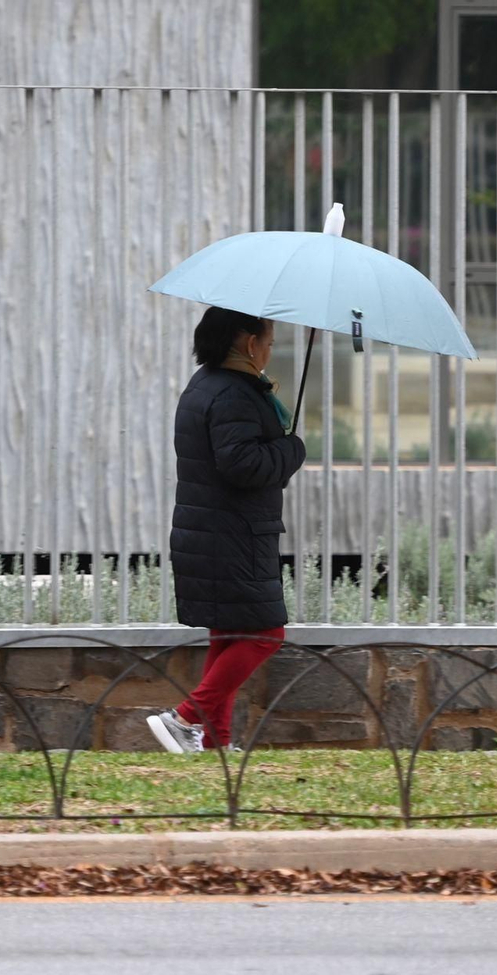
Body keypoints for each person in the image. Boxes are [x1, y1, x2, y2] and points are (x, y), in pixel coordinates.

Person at [147, 307, 305, 755]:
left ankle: (215, 741)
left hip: (210, 530)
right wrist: (292, 449)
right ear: (248, 341)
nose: (270, 351)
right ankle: (184, 718)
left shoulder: (204, 384)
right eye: (269, 342)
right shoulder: (234, 394)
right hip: (235, 534)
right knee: (265, 634)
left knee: (231, 634)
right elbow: (244, 465)